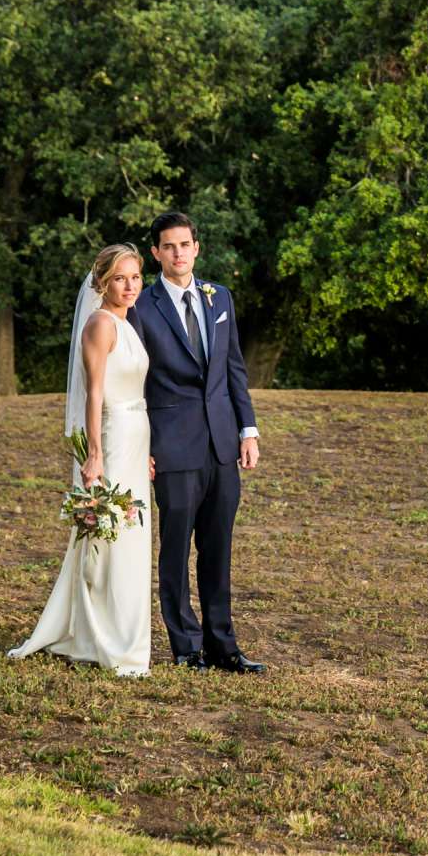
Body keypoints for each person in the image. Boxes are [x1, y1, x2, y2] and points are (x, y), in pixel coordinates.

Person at [9, 243, 154, 676]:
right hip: (111, 438)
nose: (129, 286)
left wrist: (146, 454)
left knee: (130, 537)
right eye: (119, 279)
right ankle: (99, 635)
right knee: (109, 536)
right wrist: (94, 455)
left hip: (136, 438)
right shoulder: (101, 325)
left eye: (135, 277)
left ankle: (115, 632)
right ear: (102, 283)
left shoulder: (128, 326)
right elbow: (94, 394)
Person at [136, 210, 264, 672]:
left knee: (218, 548)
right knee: (175, 551)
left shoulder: (219, 297)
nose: (178, 253)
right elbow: (133, 382)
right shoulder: (141, 307)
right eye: (168, 246)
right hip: (170, 446)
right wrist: (140, 447)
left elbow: (234, 370)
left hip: (222, 445)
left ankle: (223, 646)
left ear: (196, 248)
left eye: (185, 245)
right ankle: (186, 648)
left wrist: (247, 430)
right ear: (156, 253)